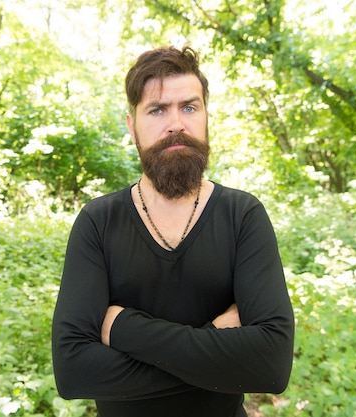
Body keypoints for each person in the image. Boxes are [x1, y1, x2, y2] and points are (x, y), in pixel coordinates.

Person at [51, 45, 294, 417]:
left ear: (206, 117)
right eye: (157, 109)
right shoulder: (99, 222)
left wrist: (122, 329)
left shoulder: (242, 215)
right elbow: (73, 371)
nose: (176, 123)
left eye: (189, 107)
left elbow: (272, 365)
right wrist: (215, 341)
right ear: (133, 126)